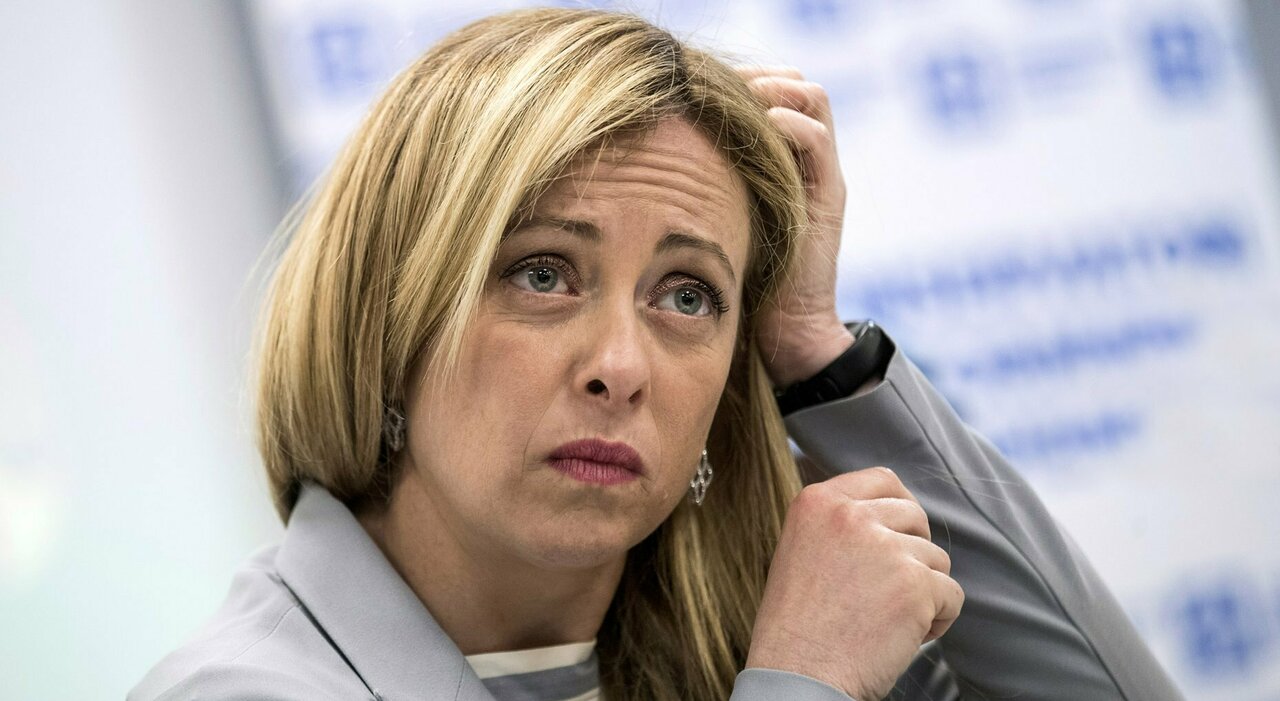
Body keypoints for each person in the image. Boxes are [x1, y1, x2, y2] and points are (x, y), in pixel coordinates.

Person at [131, 8, 1184, 701]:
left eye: (688, 295)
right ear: (388, 323)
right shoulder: (245, 687)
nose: (620, 365)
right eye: (542, 273)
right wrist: (801, 684)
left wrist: (815, 355)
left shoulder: (752, 633)